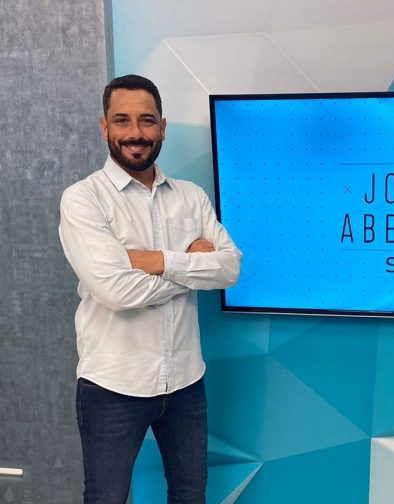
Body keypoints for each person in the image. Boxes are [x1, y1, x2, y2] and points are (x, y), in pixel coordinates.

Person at [59, 74, 242, 504]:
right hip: (113, 386)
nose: (135, 133)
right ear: (104, 127)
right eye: (122, 120)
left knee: (190, 495)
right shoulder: (83, 199)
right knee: (105, 498)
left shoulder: (191, 197)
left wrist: (154, 260)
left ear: (162, 127)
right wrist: (190, 262)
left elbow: (230, 268)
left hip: (185, 381)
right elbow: (116, 292)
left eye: (146, 120)